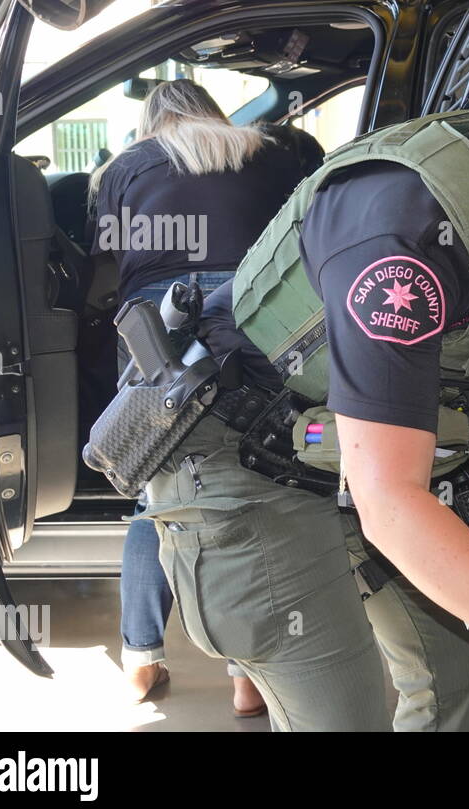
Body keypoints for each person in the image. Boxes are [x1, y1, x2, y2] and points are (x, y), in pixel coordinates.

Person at [118, 5, 469, 731]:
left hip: (369, 446)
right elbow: (389, 501)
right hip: (248, 459)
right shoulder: (402, 238)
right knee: (345, 711)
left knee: (468, 681)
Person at [89, 78, 316, 714]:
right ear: (213, 113)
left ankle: (141, 659)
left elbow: (107, 255)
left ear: (150, 122)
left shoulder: (125, 166)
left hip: (157, 321)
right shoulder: (269, 152)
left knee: (155, 492)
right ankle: (248, 678)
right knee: (255, 485)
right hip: (248, 312)